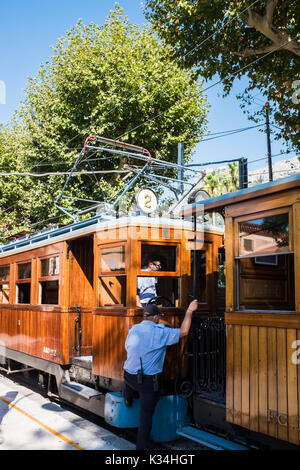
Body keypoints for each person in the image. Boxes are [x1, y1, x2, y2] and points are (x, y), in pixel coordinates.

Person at [123, 299, 198, 450]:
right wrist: (189, 311)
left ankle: (128, 395)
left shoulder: (133, 329)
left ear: (145, 317)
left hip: (128, 377)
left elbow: (128, 349)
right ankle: (141, 447)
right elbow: (183, 332)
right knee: (145, 416)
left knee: (131, 372)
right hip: (147, 383)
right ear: (156, 318)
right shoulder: (160, 332)